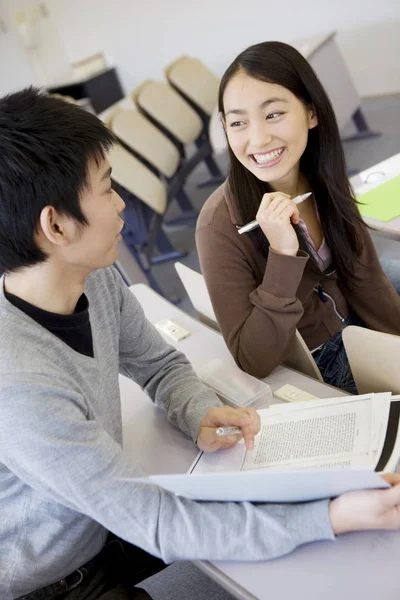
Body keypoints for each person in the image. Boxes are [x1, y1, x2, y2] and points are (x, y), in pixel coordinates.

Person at [1, 88, 400, 600]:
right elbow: (159, 521)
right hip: (54, 576)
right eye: (106, 188)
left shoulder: (90, 277)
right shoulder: (21, 388)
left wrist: (195, 409)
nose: (123, 202)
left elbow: (160, 363)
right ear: (54, 225)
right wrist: (329, 517)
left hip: (102, 514)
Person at [196, 41, 400, 393]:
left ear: (311, 113)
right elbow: (253, 359)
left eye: (273, 114)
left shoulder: (320, 173)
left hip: (356, 319)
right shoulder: (218, 225)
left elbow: (365, 278)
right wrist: (281, 255)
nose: (257, 139)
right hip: (320, 356)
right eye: (238, 122)